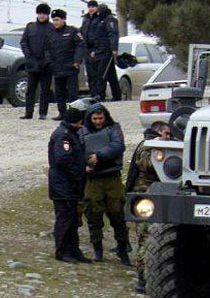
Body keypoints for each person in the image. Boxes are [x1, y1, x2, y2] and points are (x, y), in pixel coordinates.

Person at [78, 103, 130, 265]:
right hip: (93, 178)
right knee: (93, 214)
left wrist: (99, 156)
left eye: (101, 118)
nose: (98, 121)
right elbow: (78, 152)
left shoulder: (113, 128)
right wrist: (84, 166)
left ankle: (122, 249)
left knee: (117, 214)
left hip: (112, 176)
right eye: (95, 118)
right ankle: (97, 249)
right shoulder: (82, 131)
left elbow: (118, 146)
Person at [126, 121, 171, 294]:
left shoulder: (156, 145)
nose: (168, 137)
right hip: (146, 198)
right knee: (145, 239)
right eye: (166, 134)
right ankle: (142, 279)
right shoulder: (147, 147)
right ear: (158, 132)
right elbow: (147, 165)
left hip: (154, 197)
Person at [48, 107, 91, 264]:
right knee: (65, 218)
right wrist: (80, 171)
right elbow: (63, 160)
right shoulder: (64, 136)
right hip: (63, 185)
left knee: (73, 219)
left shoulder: (70, 133)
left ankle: (74, 249)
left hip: (69, 185)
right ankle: (62, 250)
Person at [45, 9, 85, 121]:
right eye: (53, 20)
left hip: (71, 67)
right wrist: (50, 63)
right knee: (59, 93)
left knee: (73, 94)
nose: (55, 22)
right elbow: (47, 50)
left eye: (57, 20)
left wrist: (77, 61)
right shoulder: (51, 34)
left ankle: (74, 115)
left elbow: (80, 46)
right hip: (57, 68)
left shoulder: (72, 31)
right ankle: (62, 113)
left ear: (63, 19)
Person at [81, 1, 121, 101]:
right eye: (89, 6)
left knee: (101, 74)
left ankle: (100, 95)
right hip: (95, 50)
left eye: (94, 7)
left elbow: (112, 34)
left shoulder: (109, 20)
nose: (92, 9)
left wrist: (114, 49)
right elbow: (93, 36)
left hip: (105, 51)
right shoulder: (88, 19)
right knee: (110, 75)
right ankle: (114, 95)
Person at [20, 3, 53, 120]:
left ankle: (43, 113)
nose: (42, 16)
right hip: (32, 63)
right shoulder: (30, 27)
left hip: (46, 65)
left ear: (48, 15)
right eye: (40, 13)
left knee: (45, 90)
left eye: (44, 13)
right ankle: (28, 113)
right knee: (30, 90)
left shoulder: (52, 28)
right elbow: (24, 42)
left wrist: (48, 59)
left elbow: (54, 45)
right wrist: (28, 55)